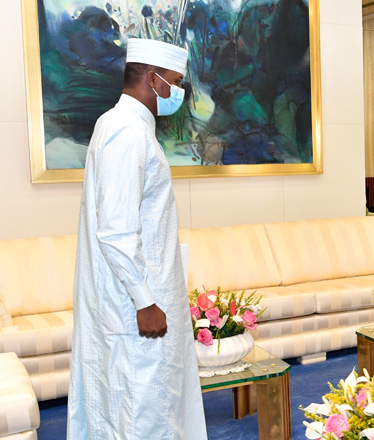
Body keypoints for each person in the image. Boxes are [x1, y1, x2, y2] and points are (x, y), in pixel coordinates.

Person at [67, 38, 207, 439]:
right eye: (176, 83)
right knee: (142, 404)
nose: (178, 92)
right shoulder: (127, 132)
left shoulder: (122, 126)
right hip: (134, 305)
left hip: (137, 296)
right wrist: (146, 302)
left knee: (144, 398)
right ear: (153, 79)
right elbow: (115, 229)